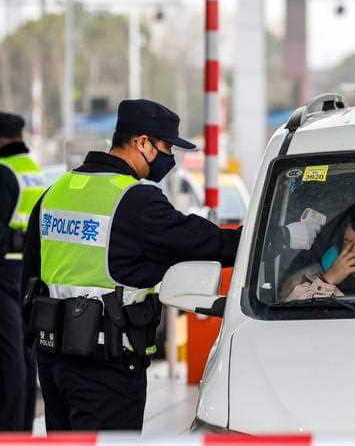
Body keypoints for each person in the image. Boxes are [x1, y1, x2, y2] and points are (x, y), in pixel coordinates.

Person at [23, 99, 242, 431]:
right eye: (166, 148)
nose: (169, 159)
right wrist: (268, 238)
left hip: (54, 361)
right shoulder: (134, 200)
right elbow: (204, 242)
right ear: (142, 142)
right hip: (106, 367)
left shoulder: (56, 191)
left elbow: (30, 276)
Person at [0, 112, 45, 431]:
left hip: (4, 271)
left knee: (8, 354)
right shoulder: (34, 171)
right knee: (23, 351)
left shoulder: (4, 172)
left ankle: (9, 427)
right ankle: (22, 426)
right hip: (28, 270)